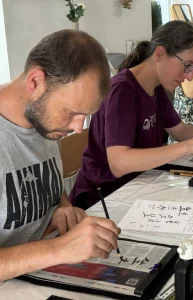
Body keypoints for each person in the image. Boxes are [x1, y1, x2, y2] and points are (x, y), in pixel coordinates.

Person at [69, 21, 193, 210]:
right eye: (187, 65)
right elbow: (119, 163)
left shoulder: (156, 89)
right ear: (160, 54)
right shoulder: (122, 90)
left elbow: (180, 130)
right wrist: (189, 147)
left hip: (140, 185)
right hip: (104, 199)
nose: (189, 77)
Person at [0, 30, 121, 281]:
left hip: (40, 277)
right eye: (71, 113)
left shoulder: (44, 121)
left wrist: (63, 209)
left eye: (85, 116)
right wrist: (61, 248)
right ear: (35, 82)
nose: (78, 128)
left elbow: (53, 192)